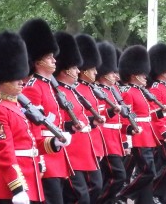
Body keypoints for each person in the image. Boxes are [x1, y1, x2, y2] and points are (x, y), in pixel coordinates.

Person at [0, 31, 71, 203]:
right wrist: (17, 187)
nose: (21, 81)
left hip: (31, 179)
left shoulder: (19, 107)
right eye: (15, 77)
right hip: (14, 185)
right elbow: (4, 153)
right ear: (3, 79)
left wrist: (54, 143)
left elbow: (33, 143)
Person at [20, 19, 72, 204]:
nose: (54, 60)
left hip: (56, 152)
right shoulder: (33, 87)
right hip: (46, 155)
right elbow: (33, 127)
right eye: (50, 57)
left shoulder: (49, 85)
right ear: (38, 60)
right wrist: (40, 157)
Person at [52, 31, 99, 204]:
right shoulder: (57, 92)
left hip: (84, 148)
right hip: (70, 150)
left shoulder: (74, 90)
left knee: (96, 186)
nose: (78, 71)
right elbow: (54, 120)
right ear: (65, 70)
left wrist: (92, 122)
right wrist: (70, 125)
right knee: (79, 196)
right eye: (74, 68)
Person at [117, 45, 160, 204]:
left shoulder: (140, 91)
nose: (145, 77)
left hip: (147, 135)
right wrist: (127, 139)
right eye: (142, 74)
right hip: (138, 136)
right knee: (148, 171)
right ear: (134, 75)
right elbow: (126, 117)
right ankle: (122, 193)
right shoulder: (128, 92)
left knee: (146, 171)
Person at [74, 34, 105, 203]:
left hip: (92, 142)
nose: (96, 72)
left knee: (96, 185)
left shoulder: (91, 89)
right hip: (79, 144)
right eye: (93, 69)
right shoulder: (75, 89)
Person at [95, 41, 126, 204]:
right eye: (112, 72)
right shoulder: (98, 90)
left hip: (115, 137)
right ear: (104, 72)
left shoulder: (113, 90)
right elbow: (98, 115)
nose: (116, 75)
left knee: (109, 175)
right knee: (118, 175)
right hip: (106, 138)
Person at [148, 43, 166, 204]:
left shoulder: (165, 87)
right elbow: (155, 114)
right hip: (162, 131)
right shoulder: (155, 88)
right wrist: (164, 131)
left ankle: (164, 196)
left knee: (164, 164)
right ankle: (152, 189)